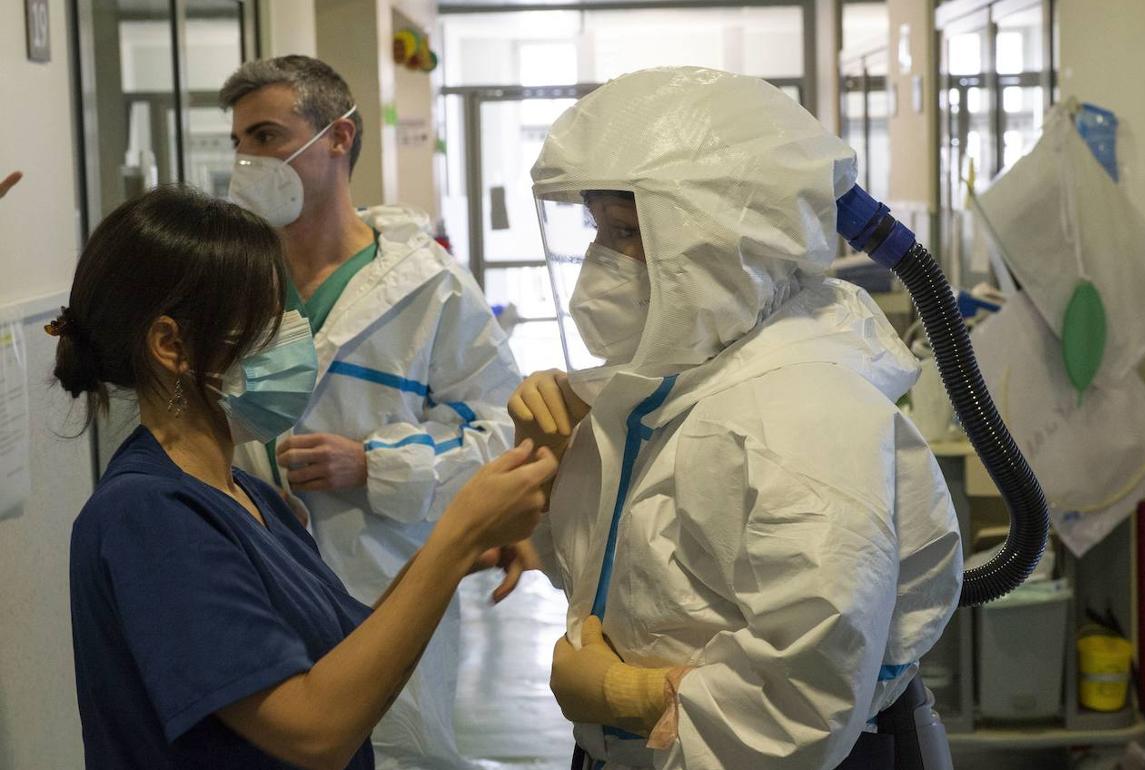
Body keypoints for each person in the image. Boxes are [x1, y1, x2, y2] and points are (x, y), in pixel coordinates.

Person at [511, 67, 963, 770]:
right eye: (598, 232)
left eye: (629, 233)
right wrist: (552, 462)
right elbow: (619, 579)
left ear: (724, 243)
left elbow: (799, 714)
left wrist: (626, 695)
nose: (602, 264)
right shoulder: (682, 381)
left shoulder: (802, 422)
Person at [55, 185, 557, 770]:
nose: (293, 337)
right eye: (267, 319)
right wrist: (455, 539)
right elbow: (314, 731)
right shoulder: (149, 515)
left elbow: (349, 654)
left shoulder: (246, 494)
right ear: (172, 345)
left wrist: (464, 543)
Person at [218, 56, 527, 769]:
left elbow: (500, 431)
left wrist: (373, 464)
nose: (248, 160)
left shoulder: (429, 288)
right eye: (238, 142)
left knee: (391, 751)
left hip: (384, 584)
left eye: (267, 136)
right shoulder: (234, 276)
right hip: (253, 581)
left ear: (338, 137)